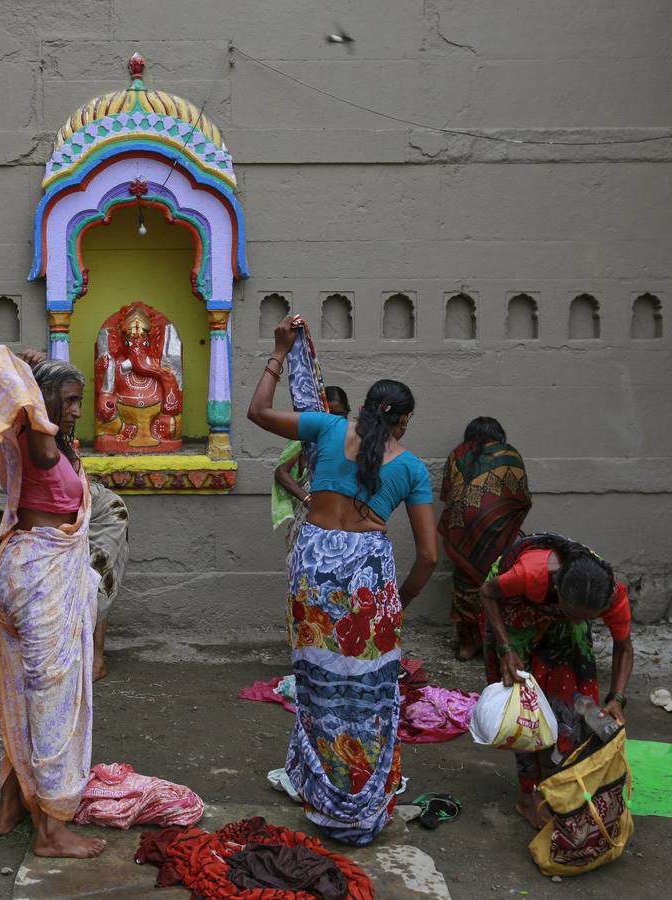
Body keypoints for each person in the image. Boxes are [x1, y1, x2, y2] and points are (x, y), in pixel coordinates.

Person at [247, 315, 437, 845]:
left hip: (313, 566)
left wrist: (278, 353)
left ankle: (323, 788)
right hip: (366, 578)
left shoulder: (327, 428)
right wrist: (400, 599)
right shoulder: (413, 468)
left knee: (318, 683)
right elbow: (428, 556)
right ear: (401, 422)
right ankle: (362, 793)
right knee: (370, 690)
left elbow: (257, 411)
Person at [0, 339, 104, 859]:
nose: (75, 410)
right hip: (40, 577)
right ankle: (50, 831)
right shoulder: (34, 434)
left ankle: (10, 806)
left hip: (27, 571)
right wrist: (29, 377)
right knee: (52, 698)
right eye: (67, 400)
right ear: (40, 398)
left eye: (77, 400)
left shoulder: (42, 434)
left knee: (20, 694)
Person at [479, 533, 635, 829]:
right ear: (556, 589)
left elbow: (624, 647)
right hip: (512, 612)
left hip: (557, 619)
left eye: (587, 618)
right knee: (523, 710)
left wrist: (617, 698)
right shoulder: (531, 574)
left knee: (576, 701)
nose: (580, 621)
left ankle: (559, 787)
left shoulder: (609, 594)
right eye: (574, 614)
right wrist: (506, 649)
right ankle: (528, 797)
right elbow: (486, 592)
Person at [0, 476, 129, 682]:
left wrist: (7, 626)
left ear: (6, 537)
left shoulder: (32, 529)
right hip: (75, 520)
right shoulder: (23, 526)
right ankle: (77, 652)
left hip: (105, 515)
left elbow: (35, 587)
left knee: (95, 583)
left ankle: (97, 662)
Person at [437, 417, 532, 660]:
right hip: (498, 531)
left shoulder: (457, 454)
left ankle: (468, 644)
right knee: (500, 580)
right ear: (499, 435)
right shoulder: (511, 454)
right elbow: (521, 498)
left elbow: (447, 493)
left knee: (464, 583)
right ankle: (502, 643)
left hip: (462, 530)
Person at [272, 386, 349, 544]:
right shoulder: (308, 436)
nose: (333, 420)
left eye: (338, 415)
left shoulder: (352, 437)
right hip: (309, 518)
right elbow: (281, 472)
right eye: (328, 415)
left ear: (347, 412)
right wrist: (307, 500)